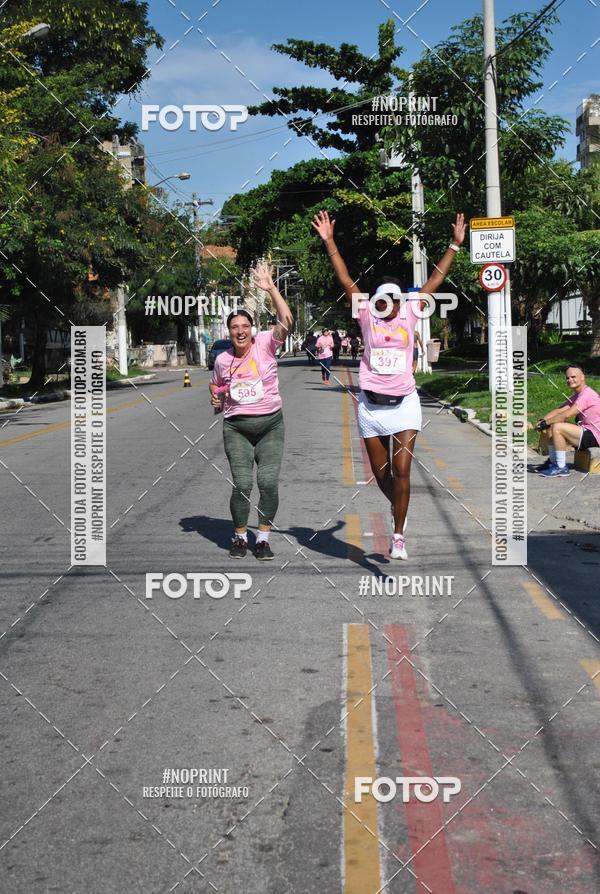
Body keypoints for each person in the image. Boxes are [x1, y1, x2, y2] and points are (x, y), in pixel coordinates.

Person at [312, 209, 466, 559]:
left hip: (405, 404)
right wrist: (330, 242)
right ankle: (401, 508)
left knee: (402, 470)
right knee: (382, 476)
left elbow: (435, 281)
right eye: (381, 300)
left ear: (400, 301)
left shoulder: (411, 311)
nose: (388, 305)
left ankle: (398, 535)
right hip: (370, 406)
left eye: (393, 300)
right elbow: (345, 279)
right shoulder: (366, 314)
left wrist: (455, 245)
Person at [209, 261, 293, 559]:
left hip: (271, 424)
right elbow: (216, 386)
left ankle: (263, 539)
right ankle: (241, 537)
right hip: (237, 428)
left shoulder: (267, 345)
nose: (240, 331)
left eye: (245, 326)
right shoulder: (221, 360)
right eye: (235, 328)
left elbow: (287, 320)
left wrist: (270, 288)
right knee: (243, 484)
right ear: (229, 332)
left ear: (252, 330)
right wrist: (216, 400)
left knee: (267, 482)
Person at [534, 365, 600, 477]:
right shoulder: (578, 395)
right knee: (552, 425)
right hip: (586, 432)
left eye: (573, 377)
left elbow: (566, 415)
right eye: (567, 378)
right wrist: (543, 420)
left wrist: (546, 423)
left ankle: (561, 467)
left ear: (582, 377)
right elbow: (560, 410)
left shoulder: (587, 395)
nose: (570, 380)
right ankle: (553, 462)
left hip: (595, 435)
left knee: (557, 426)